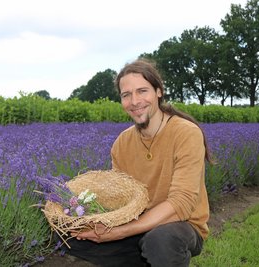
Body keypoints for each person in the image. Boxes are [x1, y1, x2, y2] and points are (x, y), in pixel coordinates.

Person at [62, 59, 212, 267]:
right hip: (138, 223)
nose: (134, 101)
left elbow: (181, 205)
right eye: (126, 95)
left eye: (142, 91)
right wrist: (94, 217)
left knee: (159, 241)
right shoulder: (122, 143)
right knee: (70, 236)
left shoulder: (185, 133)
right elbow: (122, 199)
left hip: (182, 225)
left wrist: (117, 233)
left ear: (158, 91)